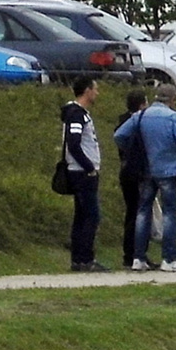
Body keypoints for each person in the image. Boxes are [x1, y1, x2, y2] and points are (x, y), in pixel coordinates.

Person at [116, 83, 176, 272]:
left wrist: (131, 151)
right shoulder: (173, 117)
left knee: (143, 211)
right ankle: (169, 258)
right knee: (169, 213)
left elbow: (119, 135)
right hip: (169, 170)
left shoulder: (141, 115)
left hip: (146, 170)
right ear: (173, 99)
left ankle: (138, 258)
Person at [61, 77, 108, 272]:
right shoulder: (76, 115)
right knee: (91, 215)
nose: (97, 93)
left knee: (82, 215)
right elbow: (74, 143)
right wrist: (88, 166)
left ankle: (78, 258)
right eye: (95, 89)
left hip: (82, 171)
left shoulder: (80, 114)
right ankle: (85, 258)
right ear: (87, 91)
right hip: (81, 172)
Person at [114, 89, 148, 269]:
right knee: (139, 212)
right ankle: (135, 253)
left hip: (126, 170)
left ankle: (132, 252)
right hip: (136, 171)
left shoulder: (121, 121)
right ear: (142, 104)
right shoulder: (139, 122)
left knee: (132, 212)